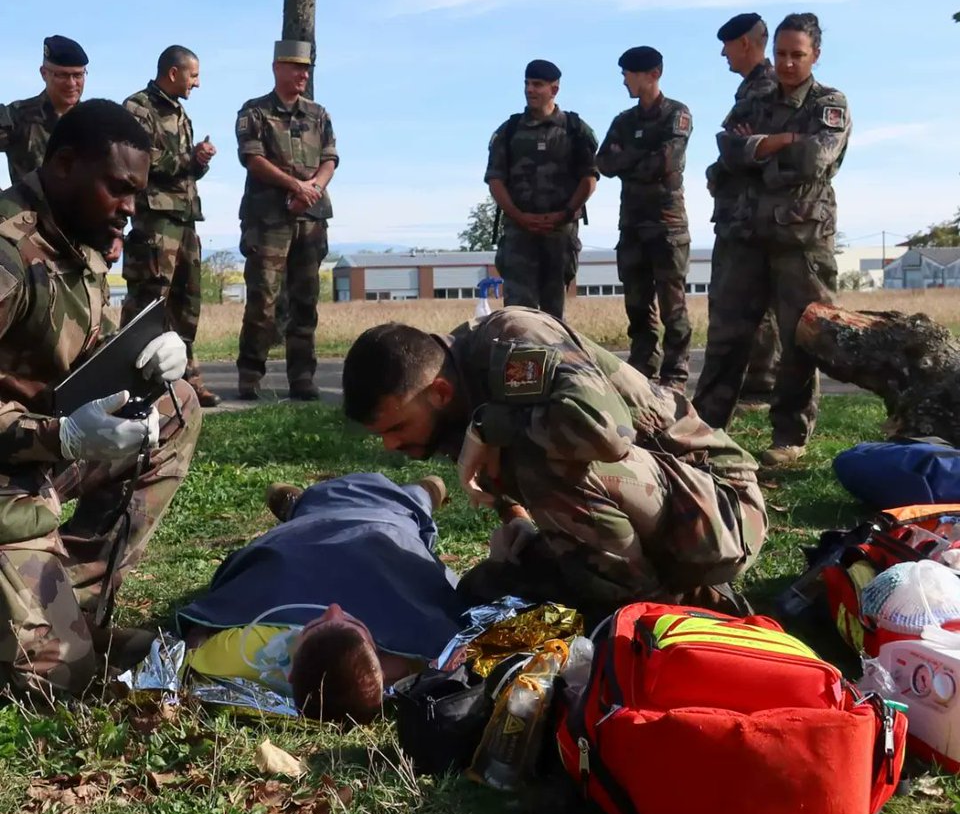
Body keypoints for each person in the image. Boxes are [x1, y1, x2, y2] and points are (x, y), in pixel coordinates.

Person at [342, 307, 767, 625]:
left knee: (541, 455)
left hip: (721, 511)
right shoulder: (454, 398)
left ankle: (652, 614)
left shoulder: (512, 339)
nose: (391, 444)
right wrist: (518, 524)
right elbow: (508, 478)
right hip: (654, 515)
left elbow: (607, 435)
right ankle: (660, 594)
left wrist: (489, 425)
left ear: (439, 391)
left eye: (397, 427)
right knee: (483, 590)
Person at [0, 99, 201, 699]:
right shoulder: (7, 254)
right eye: (119, 189)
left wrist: (144, 358)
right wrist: (56, 436)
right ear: (63, 164)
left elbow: (76, 355)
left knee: (176, 407)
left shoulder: (78, 245)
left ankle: (72, 599)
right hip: (13, 473)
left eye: (137, 193)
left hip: (30, 466)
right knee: (57, 679)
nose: (130, 209)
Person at [177, 473, 463, 725]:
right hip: (383, 523)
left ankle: (298, 504)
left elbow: (196, 640)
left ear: (289, 674)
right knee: (407, 506)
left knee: (308, 518)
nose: (334, 609)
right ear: (381, 662)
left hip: (304, 534)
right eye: (352, 623)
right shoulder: (415, 655)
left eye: (312, 626)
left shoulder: (243, 652)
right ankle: (425, 492)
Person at [693, 12, 851, 465]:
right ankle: (704, 429)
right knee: (727, 336)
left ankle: (789, 436)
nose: (785, 64)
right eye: (780, 53)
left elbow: (812, 160)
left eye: (796, 55)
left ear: (814, 55)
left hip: (800, 240)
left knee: (799, 340)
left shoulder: (829, 103)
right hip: (744, 235)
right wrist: (776, 141)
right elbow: (725, 150)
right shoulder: (756, 100)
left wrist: (755, 151)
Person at [235, 41, 338, 401]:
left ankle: (302, 378)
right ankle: (250, 374)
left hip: (310, 219)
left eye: (307, 69)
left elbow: (330, 159)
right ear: (278, 67)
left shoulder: (318, 114)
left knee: (305, 302)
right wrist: (293, 186)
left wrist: (311, 189)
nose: (303, 75)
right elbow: (253, 159)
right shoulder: (256, 112)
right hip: (268, 221)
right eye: (296, 68)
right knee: (263, 300)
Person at [121, 46, 220, 408]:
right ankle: (129, 378)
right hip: (155, 221)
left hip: (185, 219)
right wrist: (188, 158)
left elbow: (183, 170)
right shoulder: (138, 108)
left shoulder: (179, 111)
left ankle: (187, 378)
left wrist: (200, 161)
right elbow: (140, 159)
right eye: (193, 75)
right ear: (174, 72)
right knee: (150, 300)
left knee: (187, 301)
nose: (198, 82)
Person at [597, 47, 693, 390]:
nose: (624, 80)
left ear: (652, 74)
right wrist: (641, 158)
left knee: (672, 303)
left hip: (667, 224)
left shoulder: (677, 113)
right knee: (637, 302)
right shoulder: (624, 121)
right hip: (632, 224)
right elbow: (604, 163)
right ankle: (642, 363)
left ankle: (676, 371)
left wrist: (629, 157)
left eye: (629, 74)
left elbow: (667, 161)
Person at [485, 59, 598, 320]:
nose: (530, 90)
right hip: (519, 235)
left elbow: (589, 178)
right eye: (527, 84)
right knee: (517, 315)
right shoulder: (509, 131)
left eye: (537, 84)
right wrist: (519, 216)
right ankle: (519, 362)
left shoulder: (574, 130)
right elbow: (495, 180)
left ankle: (555, 362)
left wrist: (564, 213)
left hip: (559, 235)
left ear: (554, 89)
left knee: (554, 315)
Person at [711, 13, 782, 402]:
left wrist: (738, 148)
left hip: (752, 214)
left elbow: (746, 149)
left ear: (744, 43)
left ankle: (761, 382)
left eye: (727, 45)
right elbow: (731, 145)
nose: (723, 53)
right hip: (737, 211)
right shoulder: (748, 90)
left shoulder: (765, 89)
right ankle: (756, 382)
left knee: (750, 305)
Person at [0, 35, 89, 186]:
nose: (72, 84)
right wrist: (6, 204)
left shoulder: (94, 121)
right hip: (33, 208)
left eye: (78, 75)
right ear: (44, 73)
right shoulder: (17, 116)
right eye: (62, 75)